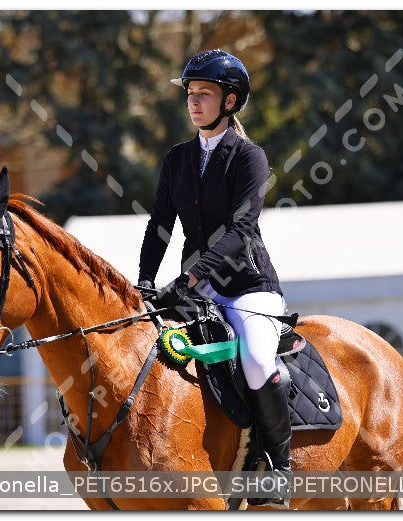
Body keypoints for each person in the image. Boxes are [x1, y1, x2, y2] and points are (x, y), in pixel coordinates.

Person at [138, 50, 292, 509]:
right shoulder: (178, 158)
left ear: (229, 101)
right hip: (193, 287)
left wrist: (190, 277)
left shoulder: (249, 157)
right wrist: (145, 281)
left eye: (203, 93)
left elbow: (242, 231)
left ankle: (277, 467)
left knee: (259, 362)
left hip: (248, 285)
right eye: (190, 93)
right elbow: (161, 223)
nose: (193, 101)